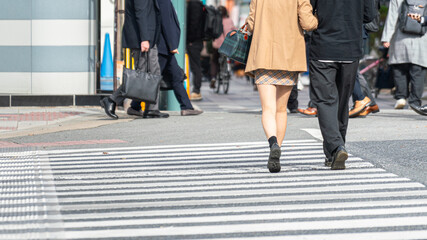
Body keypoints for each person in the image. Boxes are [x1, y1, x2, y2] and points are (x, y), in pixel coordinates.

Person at [245, 0, 318, 173]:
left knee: (267, 109)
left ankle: (273, 144)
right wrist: (317, 20)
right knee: (281, 109)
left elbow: (251, 24)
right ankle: (278, 149)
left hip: (263, 55)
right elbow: (308, 23)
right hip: (288, 56)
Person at [309, 0, 376, 170]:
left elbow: (306, 9)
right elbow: (370, 15)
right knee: (342, 100)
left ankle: (336, 147)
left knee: (326, 101)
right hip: (350, 47)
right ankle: (336, 149)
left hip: (323, 46)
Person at [127, 0, 203, 117]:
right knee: (150, 78)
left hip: (164, 46)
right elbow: (166, 23)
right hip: (163, 46)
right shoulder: (163, 1)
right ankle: (128, 103)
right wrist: (172, 45)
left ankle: (187, 107)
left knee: (175, 76)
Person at [100, 0, 169, 119]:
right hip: (142, 39)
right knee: (140, 76)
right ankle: (112, 99)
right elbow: (140, 12)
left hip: (148, 37)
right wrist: (145, 39)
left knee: (153, 73)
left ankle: (152, 109)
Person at [381, 0, 427, 116]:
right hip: (421, 39)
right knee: (418, 71)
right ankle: (414, 102)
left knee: (399, 69)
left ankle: (401, 98)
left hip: (400, 38)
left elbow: (392, 17)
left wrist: (386, 38)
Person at [210, 6, 236, 89]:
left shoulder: (215, 20)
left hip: (217, 45)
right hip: (228, 44)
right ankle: (228, 68)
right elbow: (234, 30)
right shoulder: (229, 21)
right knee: (228, 55)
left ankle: (213, 77)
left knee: (214, 60)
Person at [187, 0, 205, 101]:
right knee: (195, 66)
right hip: (198, 40)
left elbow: (193, 24)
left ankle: (196, 90)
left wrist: (190, 39)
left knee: (195, 66)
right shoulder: (199, 4)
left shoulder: (193, 5)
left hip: (193, 41)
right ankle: (196, 90)